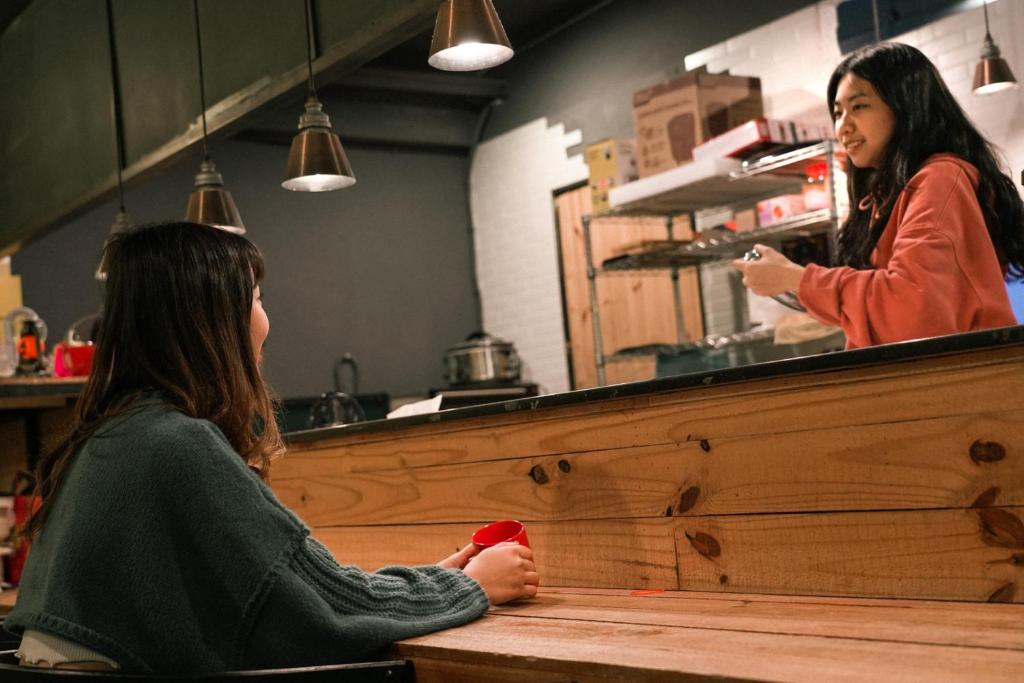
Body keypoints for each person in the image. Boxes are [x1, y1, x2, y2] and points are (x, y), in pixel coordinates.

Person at [4, 222, 539, 673]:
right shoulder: (176, 445)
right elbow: (320, 615)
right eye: (257, 300)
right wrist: (470, 589)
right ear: (211, 320)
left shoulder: (114, 435)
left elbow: (304, 591)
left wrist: (436, 579)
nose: (267, 321)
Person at [733, 42, 1023, 348]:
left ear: (906, 105)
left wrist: (795, 279)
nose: (843, 126)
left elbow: (912, 308)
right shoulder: (885, 197)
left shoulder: (940, 178)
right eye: (837, 112)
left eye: (858, 106)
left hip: (956, 386)